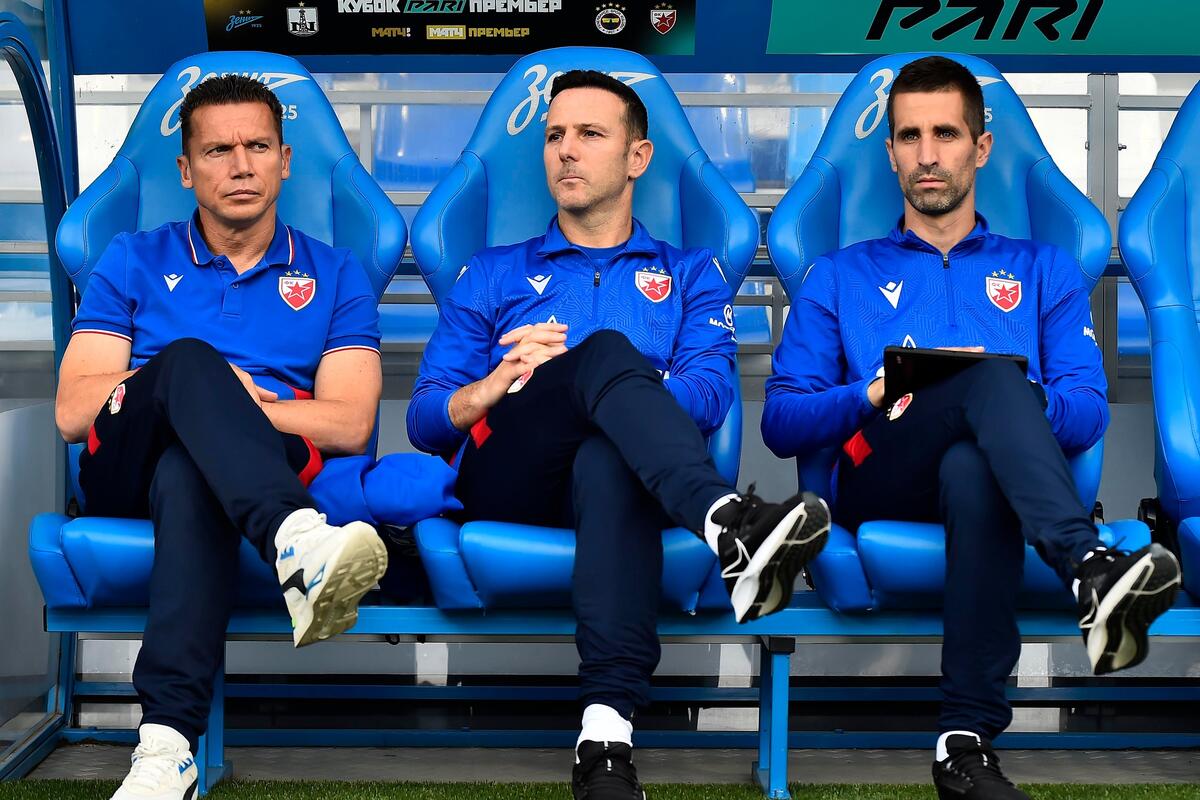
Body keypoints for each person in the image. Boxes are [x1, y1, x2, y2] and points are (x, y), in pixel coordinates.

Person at [761, 56, 1181, 800]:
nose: (928, 154)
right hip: (878, 468)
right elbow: (782, 421)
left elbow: (1086, 411)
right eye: (910, 136)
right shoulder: (839, 274)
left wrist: (1008, 402)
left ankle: (964, 745)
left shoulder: (1044, 269)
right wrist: (873, 391)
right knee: (986, 381)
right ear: (891, 153)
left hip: (992, 482)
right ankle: (1086, 563)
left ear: (981, 147)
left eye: (946, 134)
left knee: (974, 463)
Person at [408, 69, 831, 800]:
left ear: (637, 157)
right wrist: (502, 379)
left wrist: (608, 388)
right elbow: (424, 420)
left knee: (607, 447)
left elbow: (710, 396)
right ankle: (725, 520)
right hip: (511, 478)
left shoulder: (691, 274)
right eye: (554, 136)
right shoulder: (492, 273)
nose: (565, 151)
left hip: (628, 484)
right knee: (605, 355)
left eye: (589, 134)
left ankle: (605, 738)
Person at [55, 75, 389, 800]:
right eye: (217, 151)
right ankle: (295, 539)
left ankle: (165, 747)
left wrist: (227, 411)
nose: (240, 165)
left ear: (285, 161)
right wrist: (187, 385)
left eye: (258, 147)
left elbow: (349, 423)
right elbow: (75, 411)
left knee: (191, 467)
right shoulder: (133, 258)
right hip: (124, 465)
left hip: (247, 467)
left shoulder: (336, 274)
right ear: (185, 169)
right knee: (187, 362)